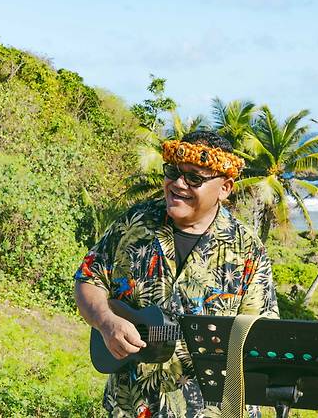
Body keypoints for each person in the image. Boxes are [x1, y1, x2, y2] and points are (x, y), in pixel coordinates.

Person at [74, 131, 279, 418]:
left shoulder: (248, 250)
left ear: (224, 188)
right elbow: (88, 278)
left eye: (194, 178)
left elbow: (263, 336)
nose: (178, 184)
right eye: (173, 172)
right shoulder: (135, 223)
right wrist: (106, 322)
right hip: (133, 405)